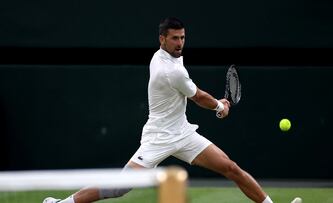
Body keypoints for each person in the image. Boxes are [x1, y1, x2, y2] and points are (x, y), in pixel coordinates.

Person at [43, 17, 301, 203]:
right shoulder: (171, 70)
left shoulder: (167, 57)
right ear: (162, 39)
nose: (180, 43)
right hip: (158, 137)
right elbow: (198, 97)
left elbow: (193, 94)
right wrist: (220, 107)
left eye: (183, 38)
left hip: (183, 133)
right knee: (119, 189)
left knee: (230, 167)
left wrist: (218, 105)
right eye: (175, 38)